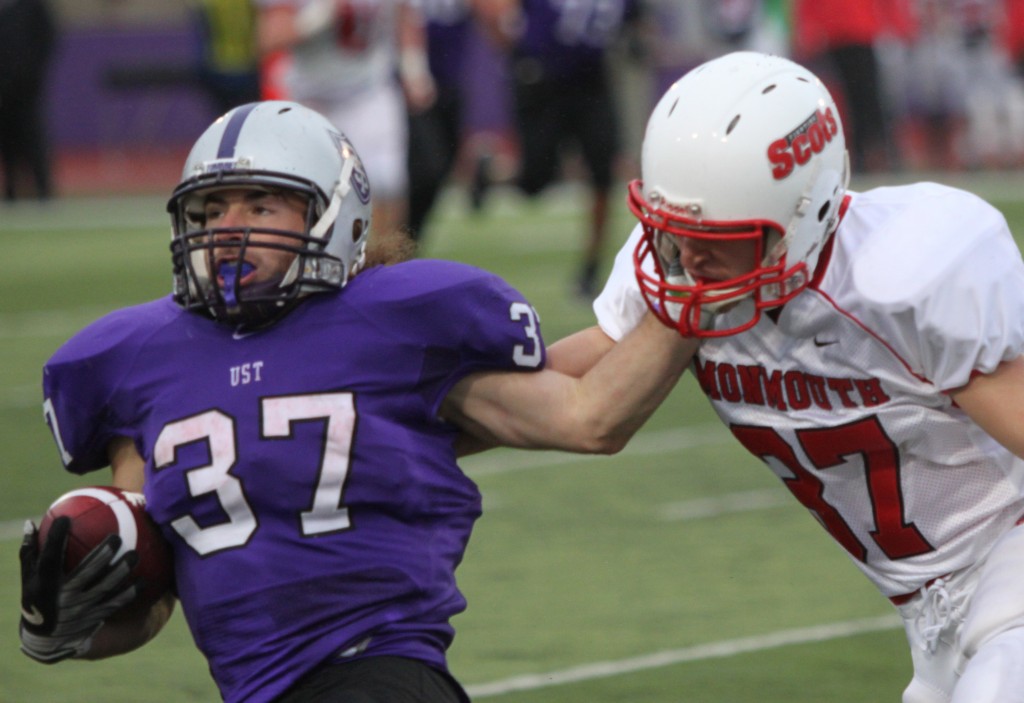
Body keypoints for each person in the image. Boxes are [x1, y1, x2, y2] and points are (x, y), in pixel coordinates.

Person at [18, 101, 696, 703]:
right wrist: (63, 628)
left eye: (259, 204)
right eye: (210, 209)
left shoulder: (395, 322)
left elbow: (587, 414)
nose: (228, 226)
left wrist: (693, 300)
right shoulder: (140, 360)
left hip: (379, 672)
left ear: (331, 214)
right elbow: (155, 590)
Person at [550, 52, 1024, 702]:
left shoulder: (903, 272)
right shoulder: (676, 270)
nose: (687, 257)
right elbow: (557, 390)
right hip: (932, 618)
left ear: (807, 214)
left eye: (716, 234)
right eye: (674, 231)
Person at [475, 0, 638, 299]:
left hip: (592, 82)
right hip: (542, 78)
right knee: (535, 180)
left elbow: (635, 21)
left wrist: (638, 39)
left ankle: (591, 267)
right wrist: (512, 50)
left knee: (603, 172)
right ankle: (490, 171)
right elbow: (494, 7)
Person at [256, 0, 436, 246]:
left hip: (369, 91)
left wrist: (415, 69)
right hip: (311, 98)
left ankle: (382, 270)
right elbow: (268, 38)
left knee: (385, 186)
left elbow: (405, 17)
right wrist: (317, 16)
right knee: (306, 190)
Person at [405, 0, 474, 242]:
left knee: (441, 169)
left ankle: (410, 240)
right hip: (403, 86)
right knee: (422, 170)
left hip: (449, 79)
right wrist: (413, 70)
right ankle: (398, 238)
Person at [0, 0, 57, 201]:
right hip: (2, 89)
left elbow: (48, 38)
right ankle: (11, 191)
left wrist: (33, 73)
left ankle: (43, 189)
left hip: (26, 88)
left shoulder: (33, 7)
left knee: (33, 138)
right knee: (6, 142)